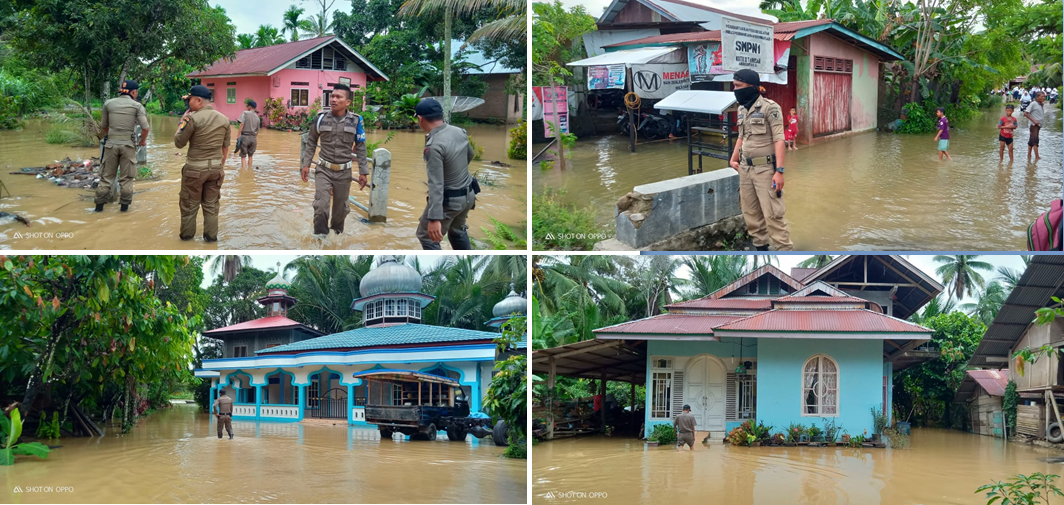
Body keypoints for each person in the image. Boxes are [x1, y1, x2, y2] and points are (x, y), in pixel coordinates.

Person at [728, 69, 793, 251]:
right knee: (751, 215)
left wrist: (779, 171)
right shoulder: (741, 109)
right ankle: (761, 250)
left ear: (752, 86)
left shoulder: (770, 108)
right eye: (735, 85)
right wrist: (733, 159)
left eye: (739, 86)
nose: (735, 89)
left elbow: (779, 140)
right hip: (745, 170)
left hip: (765, 169)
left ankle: (784, 251)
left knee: (773, 216)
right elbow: (741, 136)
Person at [300, 83, 369, 237]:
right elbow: (311, 141)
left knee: (340, 211)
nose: (334, 100)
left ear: (348, 102)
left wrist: (364, 172)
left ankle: (336, 239)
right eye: (332, 96)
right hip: (323, 169)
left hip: (344, 173)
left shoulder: (356, 121)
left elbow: (361, 146)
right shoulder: (320, 119)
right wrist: (306, 165)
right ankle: (320, 239)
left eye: (339, 97)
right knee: (321, 206)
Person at [415, 98, 478, 250]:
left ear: (420, 118)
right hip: (469, 195)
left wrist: (434, 218)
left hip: (450, 201)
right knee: (457, 231)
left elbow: (436, 184)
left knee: (427, 236)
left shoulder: (434, 146)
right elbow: (470, 155)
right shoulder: (459, 132)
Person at [174, 85, 230, 242]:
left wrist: (181, 122)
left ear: (198, 100)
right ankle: (211, 240)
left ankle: (186, 239)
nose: (188, 104)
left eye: (189, 100)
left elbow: (179, 143)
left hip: (194, 171)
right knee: (211, 207)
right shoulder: (224, 119)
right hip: (216, 170)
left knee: (189, 206)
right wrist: (219, 166)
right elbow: (225, 147)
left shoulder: (192, 119)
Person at [95, 80, 149, 213]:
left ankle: (98, 209)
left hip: (111, 145)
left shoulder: (108, 103)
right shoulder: (137, 106)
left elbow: (104, 126)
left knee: (106, 178)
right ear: (134, 92)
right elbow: (145, 128)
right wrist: (142, 141)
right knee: (126, 179)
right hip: (128, 146)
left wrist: (113, 137)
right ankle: (124, 210)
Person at [235, 100, 261, 169]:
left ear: (249, 107)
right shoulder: (257, 118)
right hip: (253, 138)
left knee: (243, 156)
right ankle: (249, 169)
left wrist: (238, 136)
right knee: (250, 156)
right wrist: (254, 138)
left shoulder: (245, 113)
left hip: (245, 137)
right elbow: (257, 130)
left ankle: (243, 171)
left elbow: (241, 124)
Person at [1024, 91, 1046, 160]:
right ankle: (1037, 157)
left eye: (1044, 96)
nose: (1043, 98)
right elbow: (1026, 113)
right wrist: (1034, 120)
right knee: (1035, 141)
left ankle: (1029, 155)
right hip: (1034, 125)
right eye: (1042, 96)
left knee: (1031, 140)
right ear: (1037, 97)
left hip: (1038, 125)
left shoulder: (1041, 104)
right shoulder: (1033, 104)